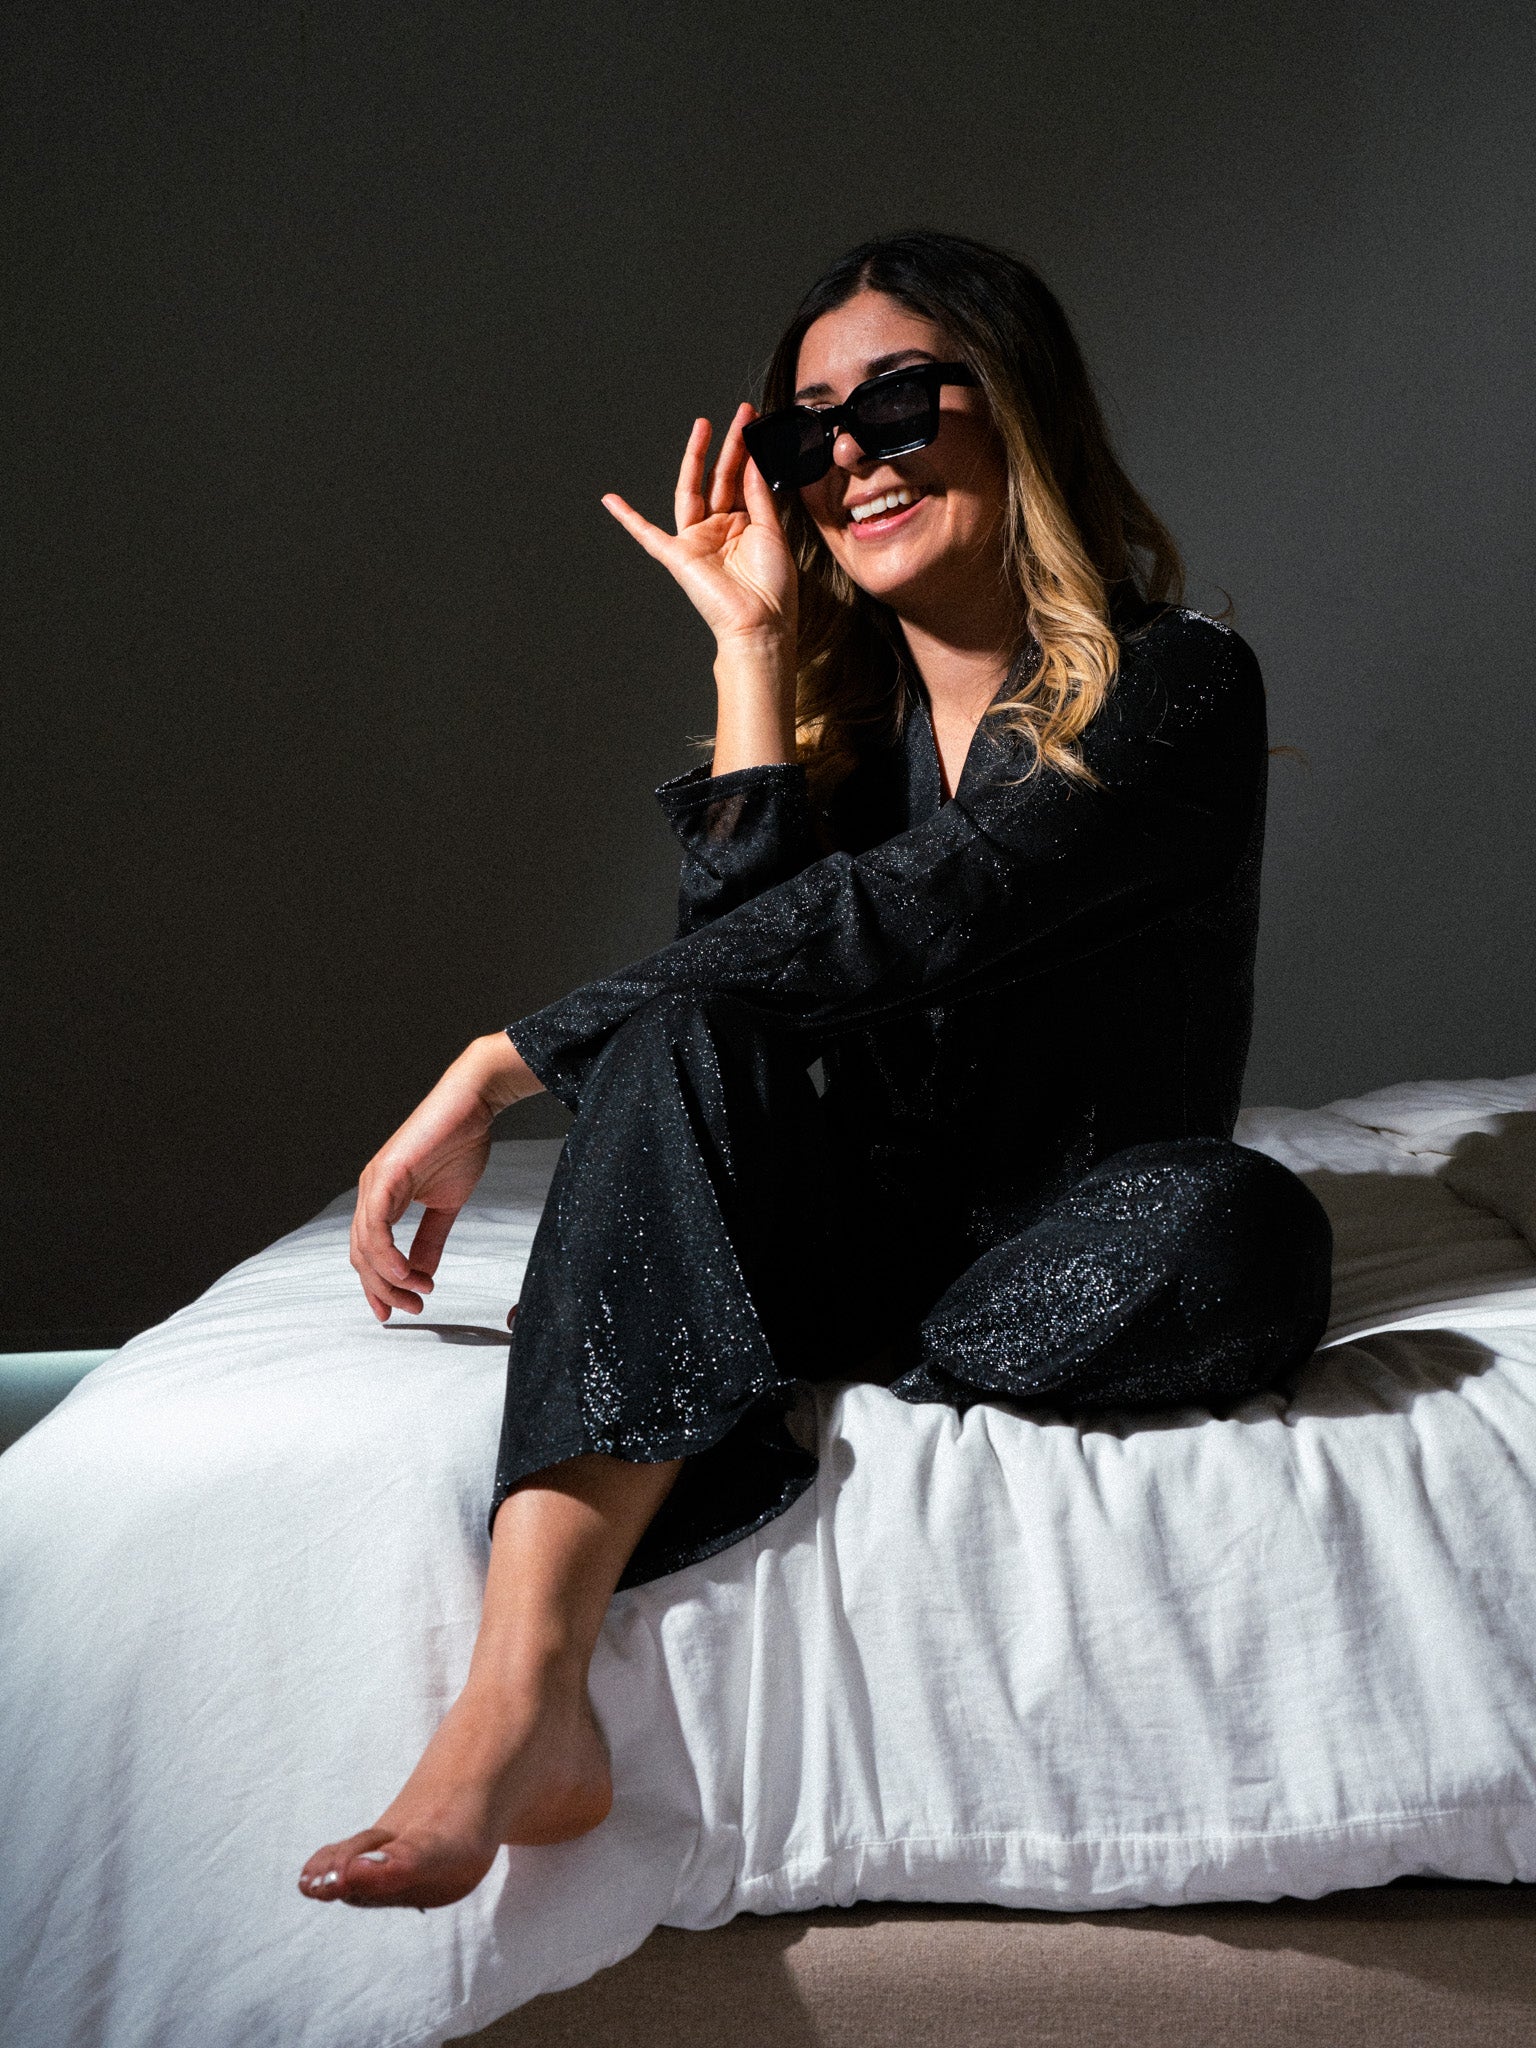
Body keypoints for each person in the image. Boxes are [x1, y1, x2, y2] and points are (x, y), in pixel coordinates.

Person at [298, 231, 1333, 1911]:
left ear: (1021, 409)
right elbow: (734, 996)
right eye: (808, 433)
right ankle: (519, 1703)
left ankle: (817, 1357)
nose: (852, 456)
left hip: (1072, 1248)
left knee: (1244, 1227)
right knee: (685, 1030)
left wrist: (503, 1059)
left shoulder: (1179, 683)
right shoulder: (848, 743)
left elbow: (920, 915)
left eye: (900, 404)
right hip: (852, 1232)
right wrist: (752, 654)